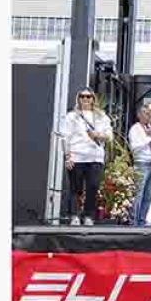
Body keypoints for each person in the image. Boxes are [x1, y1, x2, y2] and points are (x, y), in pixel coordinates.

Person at [62, 88, 112, 226]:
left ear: (93, 99)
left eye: (88, 96)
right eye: (82, 96)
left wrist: (98, 135)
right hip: (77, 156)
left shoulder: (101, 116)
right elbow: (65, 137)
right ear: (78, 99)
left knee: (93, 186)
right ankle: (75, 215)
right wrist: (67, 156)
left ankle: (88, 215)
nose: (85, 99)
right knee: (75, 188)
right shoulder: (72, 116)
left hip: (95, 157)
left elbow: (109, 135)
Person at [128, 105, 151, 227]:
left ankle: (142, 220)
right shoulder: (135, 129)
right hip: (141, 163)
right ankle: (134, 221)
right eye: (146, 113)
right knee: (139, 193)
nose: (148, 116)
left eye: (150, 113)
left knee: (149, 194)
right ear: (139, 115)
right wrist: (149, 138)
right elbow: (135, 148)